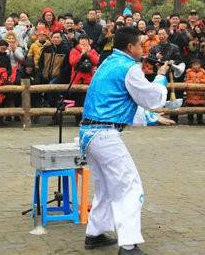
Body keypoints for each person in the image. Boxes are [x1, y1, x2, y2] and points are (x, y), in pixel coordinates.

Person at [79, 26, 170, 255]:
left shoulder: (108, 62)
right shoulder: (129, 68)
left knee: (106, 187)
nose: (143, 48)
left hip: (89, 132)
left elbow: (121, 101)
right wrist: (161, 78)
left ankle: (95, 233)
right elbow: (150, 98)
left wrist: (151, 117)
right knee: (130, 186)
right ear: (130, 47)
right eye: (141, 45)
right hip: (105, 135)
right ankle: (128, 245)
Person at [184, 58, 205, 124]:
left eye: (197, 64)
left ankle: (200, 120)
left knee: (200, 108)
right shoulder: (188, 73)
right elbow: (186, 81)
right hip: (191, 94)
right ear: (191, 65)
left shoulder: (203, 72)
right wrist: (193, 81)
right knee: (190, 109)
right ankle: (190, 120)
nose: (196, 66)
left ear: (200, 65)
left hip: (200, 95)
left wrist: (200, 80)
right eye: (194, 65)